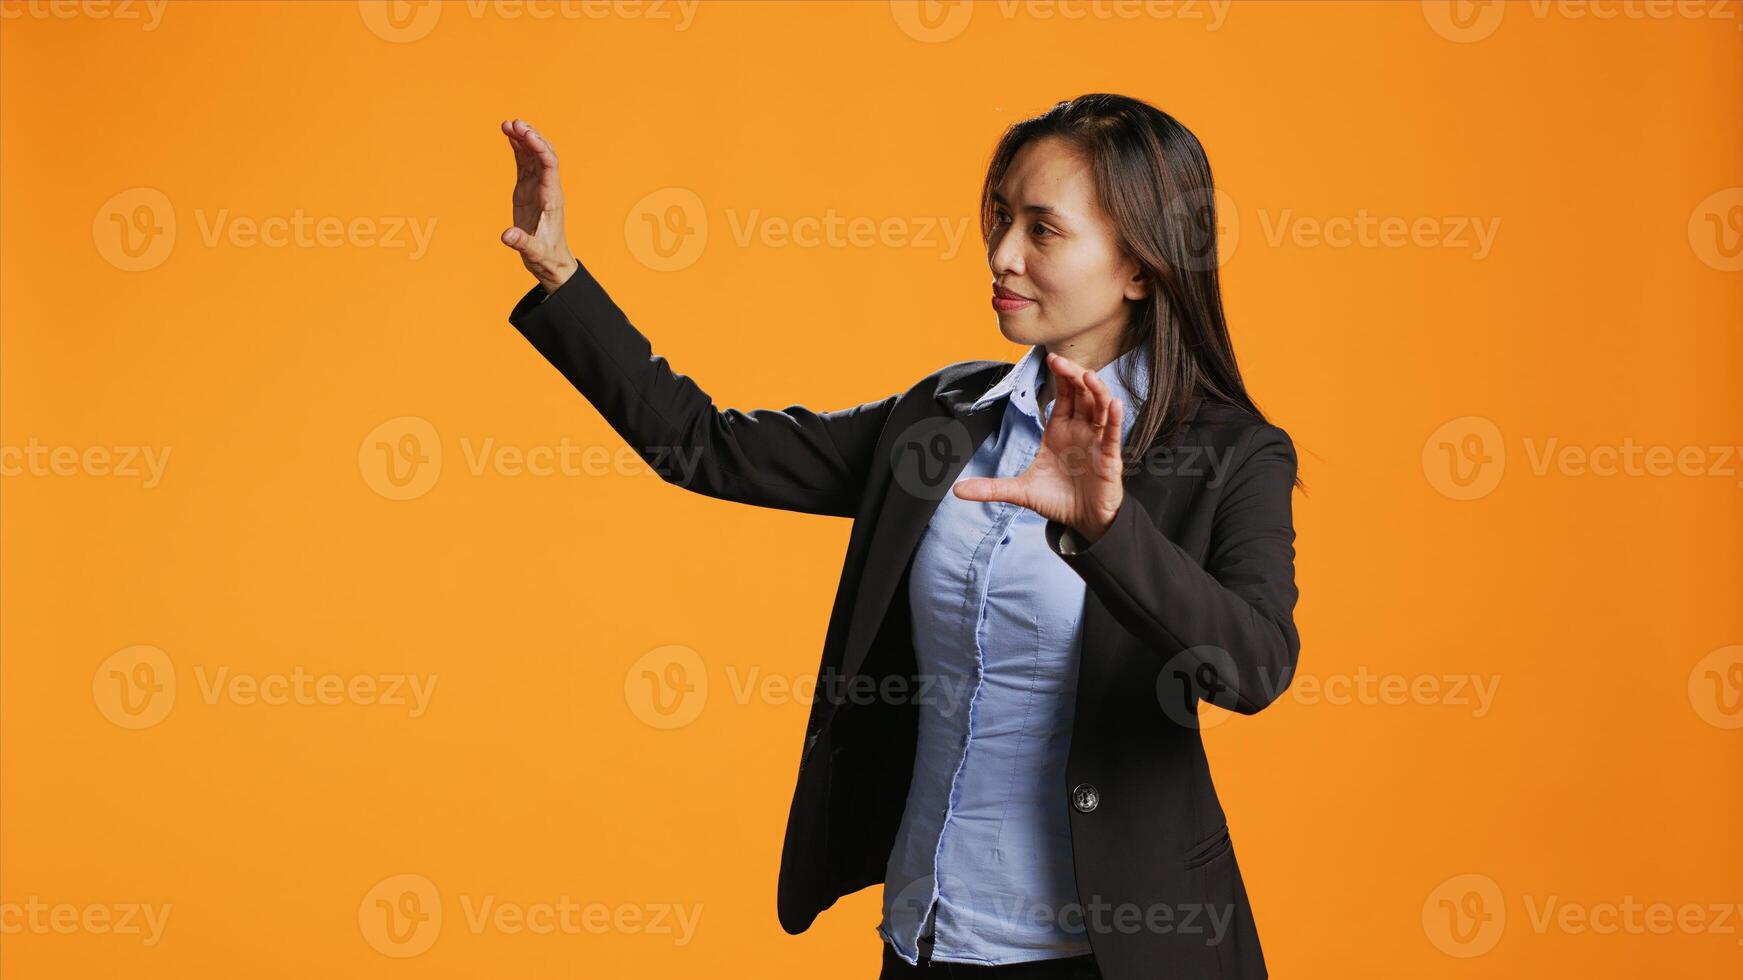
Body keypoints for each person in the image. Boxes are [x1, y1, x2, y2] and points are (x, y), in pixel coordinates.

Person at [499, 93, 1301, 980]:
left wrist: (1106, 528)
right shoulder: (941, 417)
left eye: (1043, 230)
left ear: (1140, 269)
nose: (1000, 254)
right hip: (927, 937)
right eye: (1001, 217)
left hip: (1114, 954)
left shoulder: (1230, 453)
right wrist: (559, 273)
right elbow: (707, 447)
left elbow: (1254, 665)